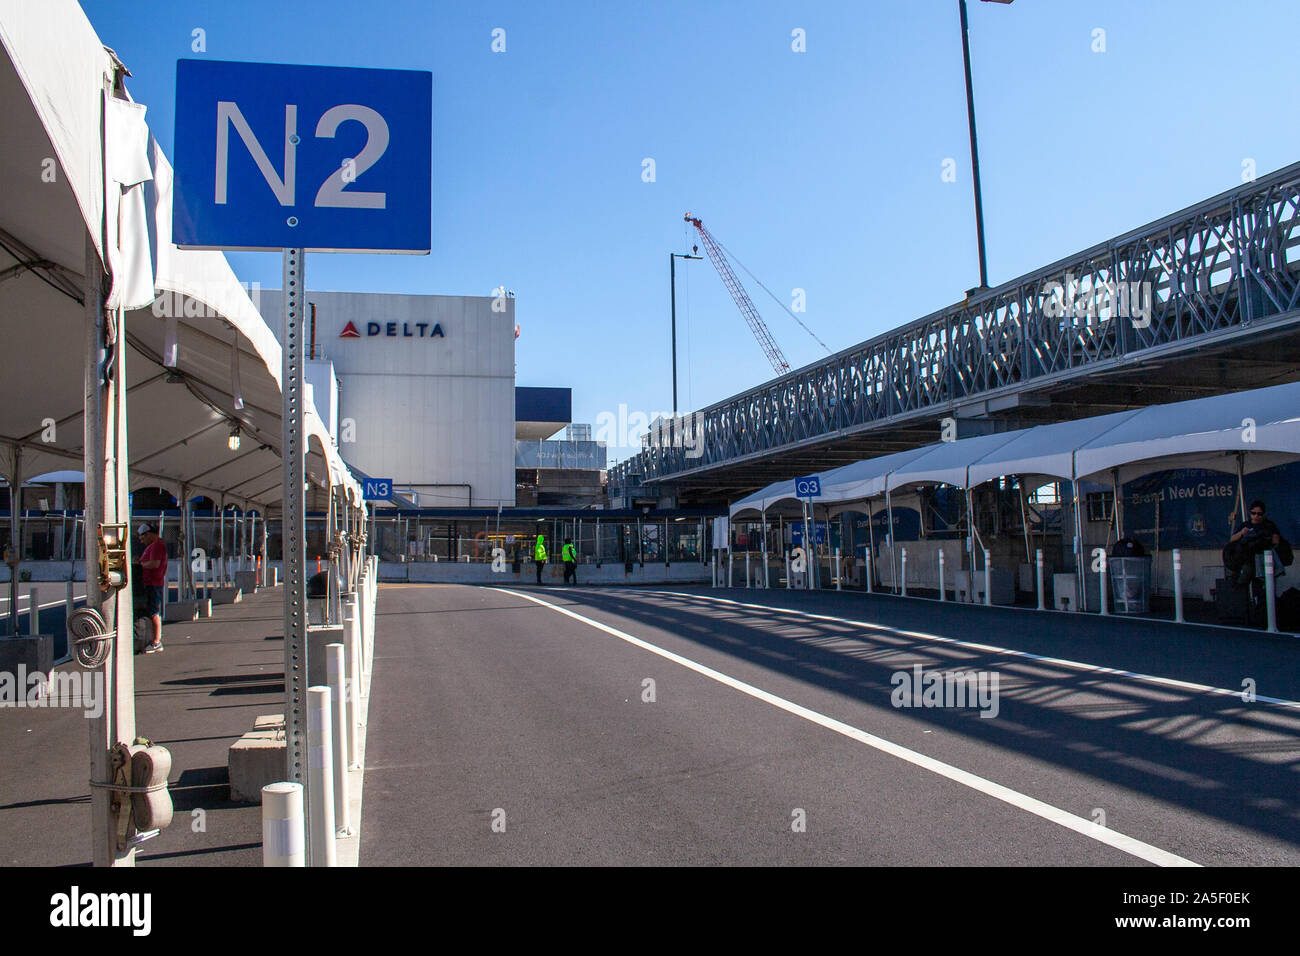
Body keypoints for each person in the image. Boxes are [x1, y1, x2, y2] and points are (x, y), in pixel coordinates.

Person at [1225, 500, 1282, 586]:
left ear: (1264, 514)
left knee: (1264, 585)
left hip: (1263, 558)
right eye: (1253, 513)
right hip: (1247, 559)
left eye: (1259, 514)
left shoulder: (1269, 525)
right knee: (1242, 580)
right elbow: (1232, 540)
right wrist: (1241, 533)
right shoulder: (1245, 525)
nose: (1256, 516)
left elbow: (1275, 541)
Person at [137, 523, 167, 653]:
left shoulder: (156, 546)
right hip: (151, 583)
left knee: (154, 611)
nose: (142, 542)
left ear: (148, 534)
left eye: (143, 539)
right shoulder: (154, 546)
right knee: (150, 610)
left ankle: (156, 641)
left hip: (153, 583)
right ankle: (153, 639)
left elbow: (155, 563)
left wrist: (140, 564)